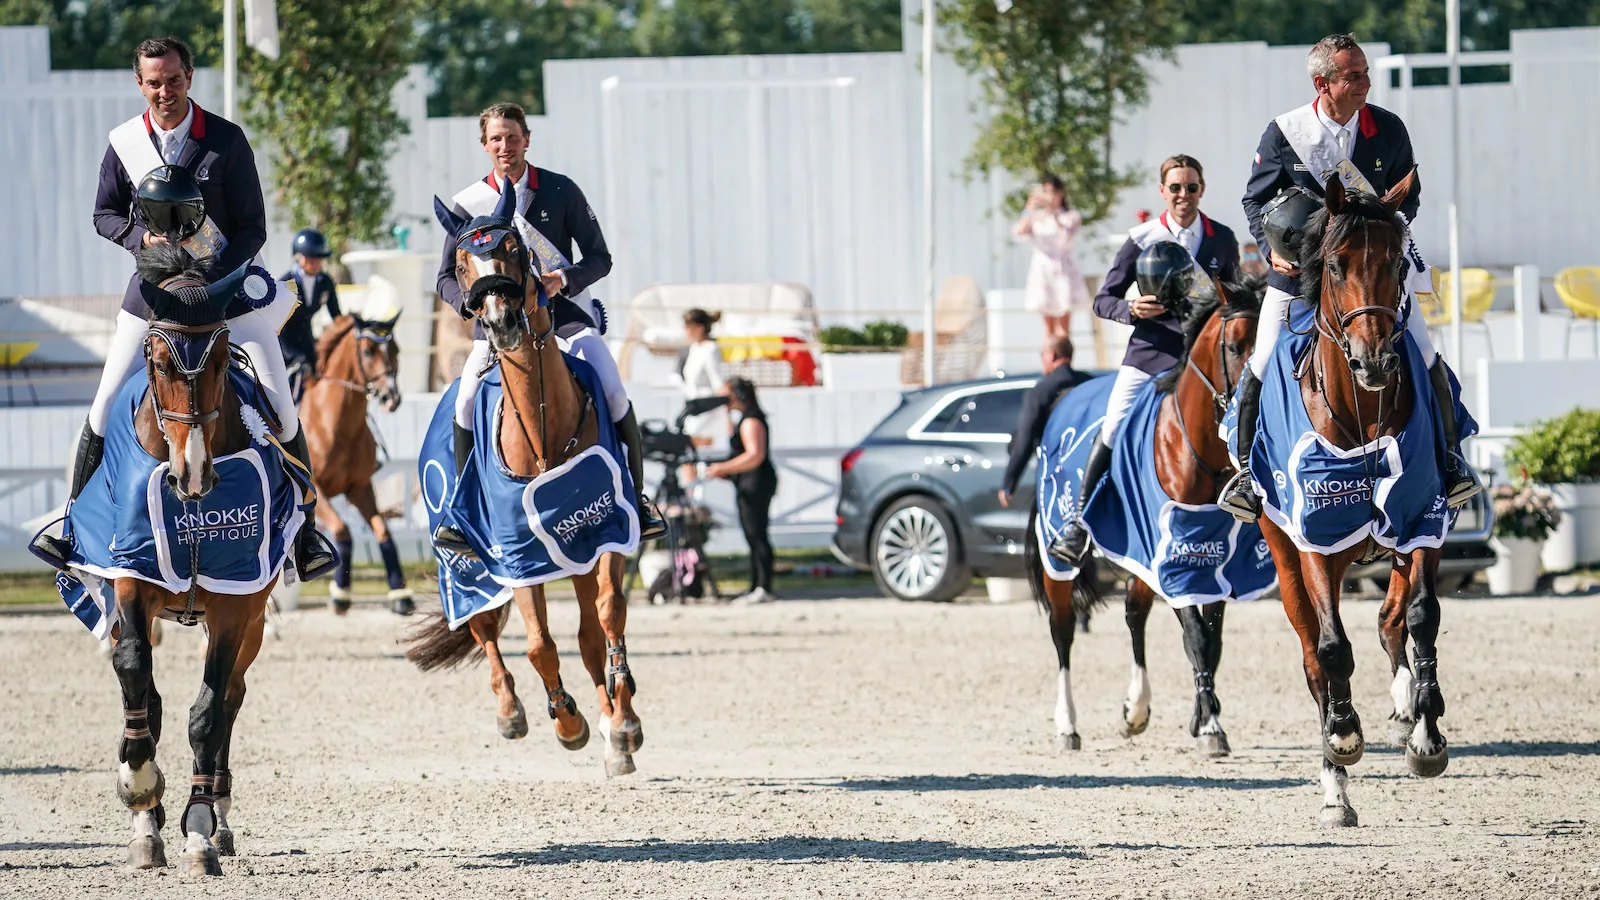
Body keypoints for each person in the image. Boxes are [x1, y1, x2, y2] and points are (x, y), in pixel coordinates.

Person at [33, 36, 336, 580]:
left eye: (174, 80)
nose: (164, 91)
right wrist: (137, 239)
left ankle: (306, 532)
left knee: (280, 403)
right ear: (140, 84)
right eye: (154, 83)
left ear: (189, 77)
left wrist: (217, 279)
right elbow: (102, 214)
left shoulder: (225, 140)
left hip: (229, 297)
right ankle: (71, 528)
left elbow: (253, 228)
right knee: (103, 406)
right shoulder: (124, 142)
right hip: (153, 298)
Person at [1222, 33, 1482, 522]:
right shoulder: (1284, 133)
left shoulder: (1386, 127)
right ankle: (1244, 475)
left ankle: (1450, 461)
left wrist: (1384, 229)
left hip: (1368, 275)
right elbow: (1255, 201)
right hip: (1300, 273)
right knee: (1260, 357)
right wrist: (1271, 252)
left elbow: (1412, 195)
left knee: (1426, 352)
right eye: (1354, 75)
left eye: (1365, 72)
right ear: (1323, 83)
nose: (1366, 82)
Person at [432, 101, 664, 548]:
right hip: (498, 328)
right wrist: (472, 303)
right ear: (485, 145)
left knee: (614, 391)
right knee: (464, 402)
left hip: (566, 321)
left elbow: (601, 258)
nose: (505, 146)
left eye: (512, 137)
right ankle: (462, 516)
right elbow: (444, 277)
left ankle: (636, 496)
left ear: (527, 140)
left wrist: (565, 278)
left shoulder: (561, 191)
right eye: (496, 139)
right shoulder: (467, 204)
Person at [1048, 154, 1241, 565]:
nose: (1183, 195)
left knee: (1244, 416)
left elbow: (1235, 299)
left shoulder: (1221, 238)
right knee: (1116, 423)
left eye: (1191, 187)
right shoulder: (1140, 238)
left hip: (1204, 361)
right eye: (1175, 188)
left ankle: (1252, 505)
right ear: (1162, 192)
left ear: (1201, 190)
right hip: (1150, 354)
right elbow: (1103, 300)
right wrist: (1132, 310)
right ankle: (1078, 522)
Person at [703, 377, 778, 605]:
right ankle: (756, 584)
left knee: (757, 535)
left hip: (755, 483)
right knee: (752, 535)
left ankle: (763, 586)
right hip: (748, 482)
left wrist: (723, 468)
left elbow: (755, 455)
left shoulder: (751, 421)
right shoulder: (742, 419)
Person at [998, 334, 1091, 509]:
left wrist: (1009, 483)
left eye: (1042, 354)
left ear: (1051, 355)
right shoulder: (1090, 383)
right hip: (1088, 472)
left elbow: (1024, 439)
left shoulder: (1041, 390)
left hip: (1055, 475)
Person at [1014, 174, 1088, 340]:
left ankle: (1063, 362)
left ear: (1060, 193)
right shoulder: (1036, 217)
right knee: (1048, 330)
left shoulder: (1070, 216)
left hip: (1063, 269)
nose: (1048, 196)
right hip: (1042, 271)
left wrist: (1053, 211)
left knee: (1063, 328)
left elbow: (1066, 235)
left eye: (1051, 191)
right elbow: (1020, 232)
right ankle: (1049, 362)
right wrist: (1029, 208)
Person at [279, 228, 341, 396]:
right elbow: (280, 325)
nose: (316, 263)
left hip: (307, 340)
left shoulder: (325, 282)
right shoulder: (286, 283)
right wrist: (293, 355)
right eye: (311, 257)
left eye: (319, 258)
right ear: (298, 256)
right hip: (284, 344)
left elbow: (337, 316)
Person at [678, 308, 727, 447]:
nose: (685, 331)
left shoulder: (711, 349)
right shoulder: (694, 348)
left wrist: (727, 415)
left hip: (706, 409)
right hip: (693, 407)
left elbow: (718, 382)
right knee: (689, 452)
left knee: (689, 448)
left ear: (699, 328)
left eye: (688, 327)